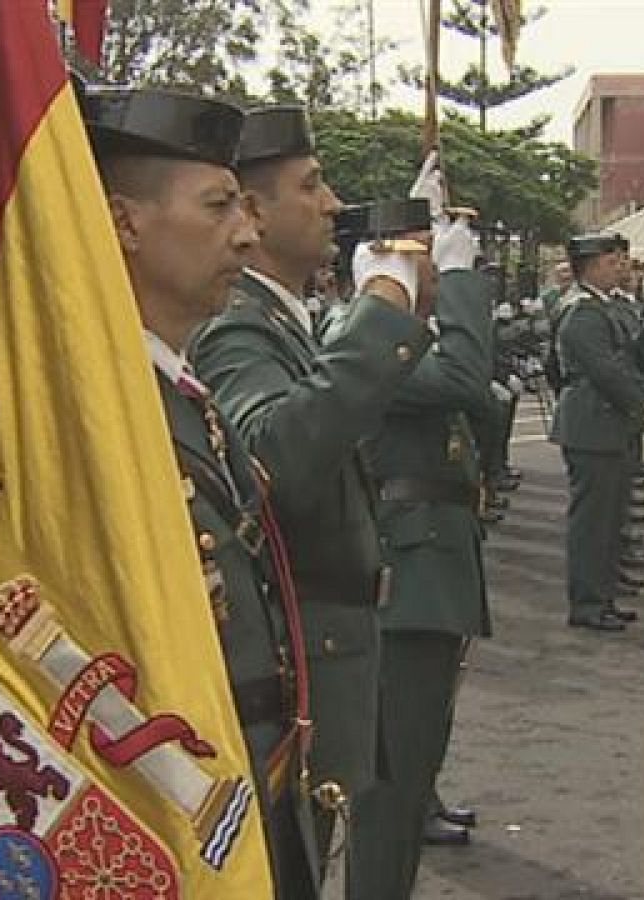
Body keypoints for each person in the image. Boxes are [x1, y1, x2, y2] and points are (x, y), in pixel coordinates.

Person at [189, 103, 435, 894]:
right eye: (312, 185)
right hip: (295, 660)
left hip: (328, 653)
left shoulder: (283, 318)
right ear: (253, 213)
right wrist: (388, 304)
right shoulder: (237, 326)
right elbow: (275, 457)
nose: (332, 204)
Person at [79, 86, 317, 898]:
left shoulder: (175, 390)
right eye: (218, 206)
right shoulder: (96, 411)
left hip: (245, 783)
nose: (247, 233)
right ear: (124, 223)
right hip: (177, 824)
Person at [353, 206, 493, 895]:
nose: (439, 268)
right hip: (406, 574)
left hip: (432, 566)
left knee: (413, 764)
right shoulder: (367, 339)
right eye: (427, 258)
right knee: (390, 784)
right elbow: (468, 379)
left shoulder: (402, 339)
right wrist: (464, 280)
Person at [548, 234, 644, 633]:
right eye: (610, 262)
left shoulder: (598, 308)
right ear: (591, 267)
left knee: (608, 519)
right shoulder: (583, 313)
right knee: (592, 523)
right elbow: (605, 370)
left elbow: (626, 359)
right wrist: (643, 407)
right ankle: (587, 603)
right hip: (591, 425)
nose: (616, 268)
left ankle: (601, 595)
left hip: (605, 424)